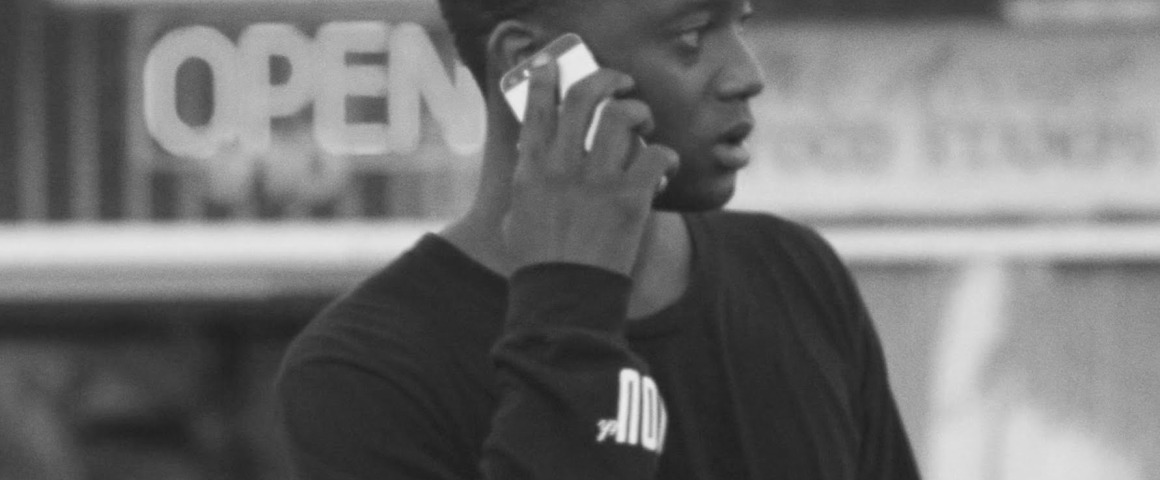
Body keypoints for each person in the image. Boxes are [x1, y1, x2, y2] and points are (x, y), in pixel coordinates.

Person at [276, 0, 922, 478]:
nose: (745, 74)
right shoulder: (364, 371)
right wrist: (570, 308)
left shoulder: (795, 273)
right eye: (692, 37)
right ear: (534, 65)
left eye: (741, 24)